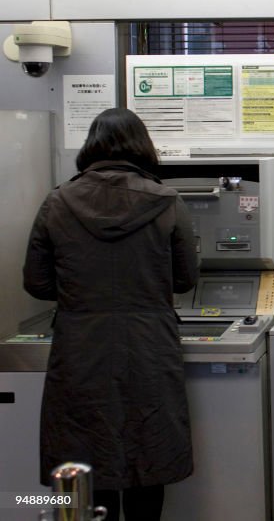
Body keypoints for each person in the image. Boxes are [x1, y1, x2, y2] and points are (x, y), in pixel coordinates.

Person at [23, 108, 198, 520]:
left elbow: (36, 283)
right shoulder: (167, 201)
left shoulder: (57, 201)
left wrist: (80, 296)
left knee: (84, 459)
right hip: (148, 346)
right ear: (143, 146)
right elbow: (185, 279)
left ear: (90, 145)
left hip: (80, 348)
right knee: (147, 453)